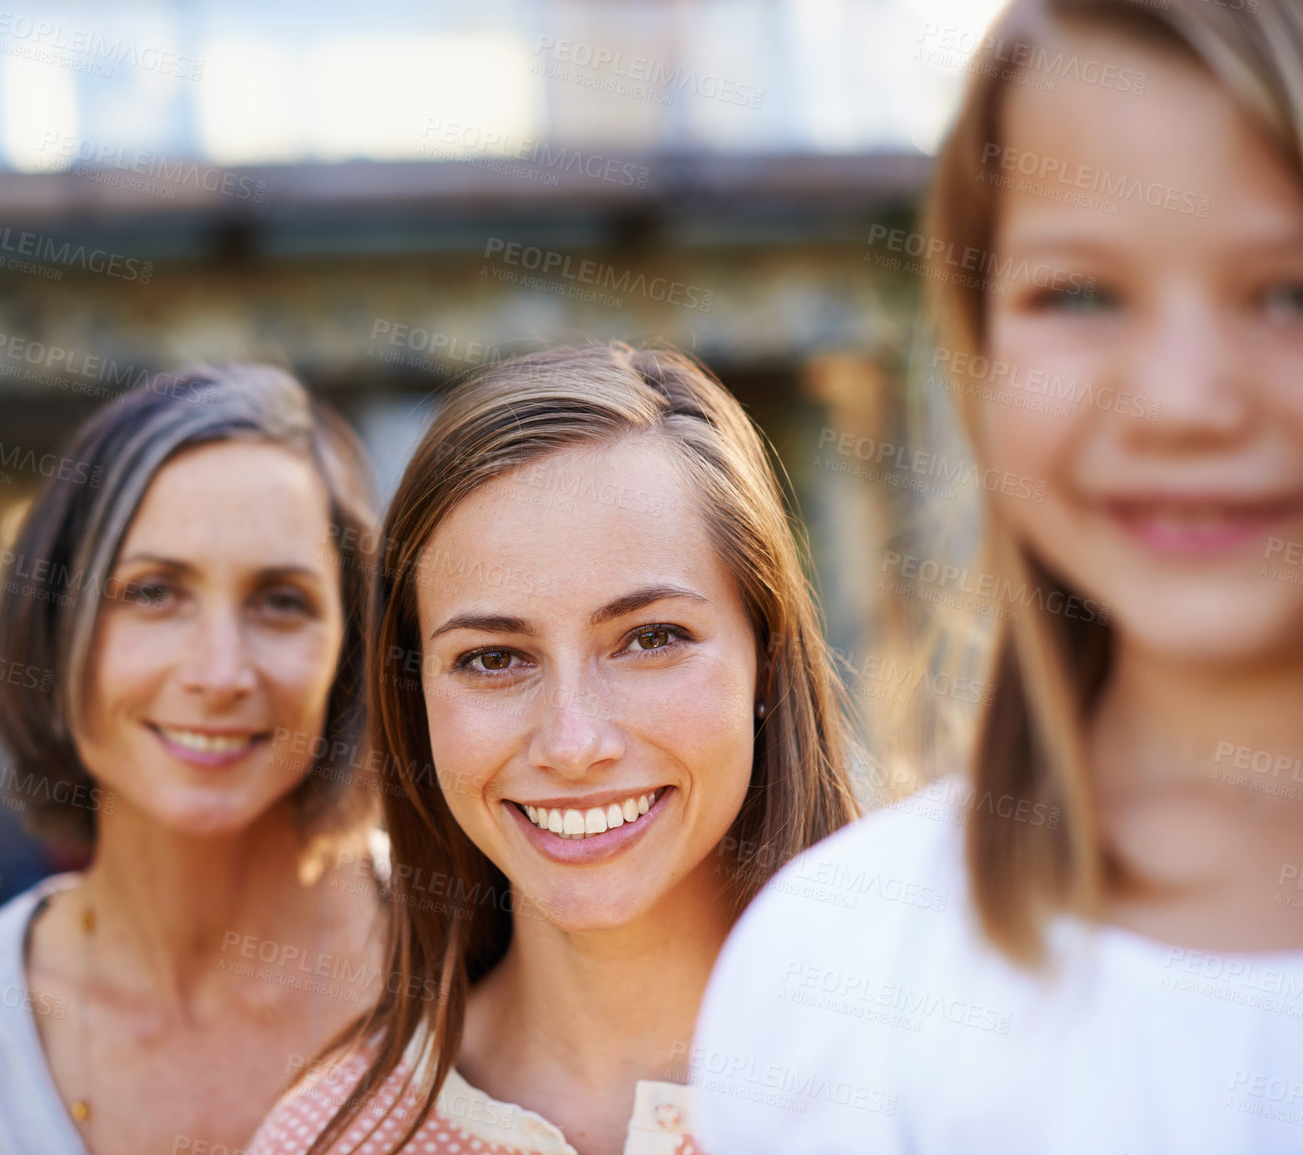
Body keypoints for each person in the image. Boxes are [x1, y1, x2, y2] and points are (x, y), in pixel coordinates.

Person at [692, 2, 1303, 1150]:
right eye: (1079, 295)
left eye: (1291, 293)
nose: (1185, 400)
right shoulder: (832, 983)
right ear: (979, 358)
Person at [246, 343, 860, 1154]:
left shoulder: (950, 1077)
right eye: (493, 658)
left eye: (650, 638)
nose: (573, 743)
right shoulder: (331, 1141)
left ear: (766, 657)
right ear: (414, 697)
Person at [0, 366, 386, 1154]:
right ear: (54, 633)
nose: (219, 672)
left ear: (349, 650)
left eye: (281, 600)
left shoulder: (492, 966)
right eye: (153, 591)